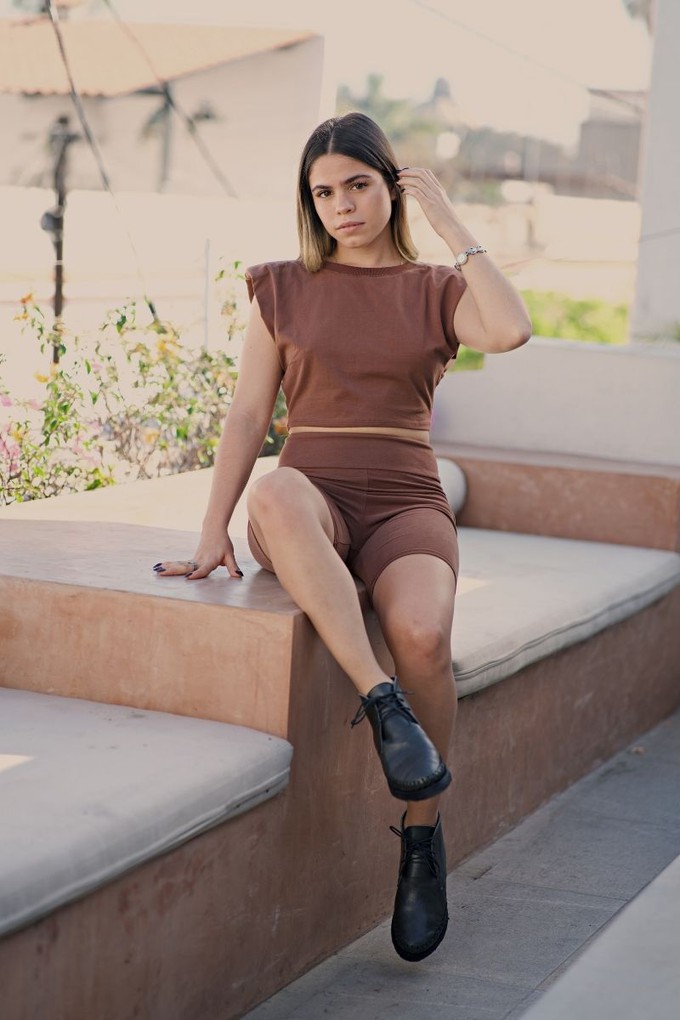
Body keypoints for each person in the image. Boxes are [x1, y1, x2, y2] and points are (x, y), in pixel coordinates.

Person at [153, 112, 531, 962]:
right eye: (323, 193)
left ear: (391, 185)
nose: (341, 206)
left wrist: (450, 223)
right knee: (275, 489)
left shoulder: (436, 289)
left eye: (357, 185)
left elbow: (511, 329)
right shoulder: (281, 286)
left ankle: (422, 837)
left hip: (405, 499)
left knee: (424, 633)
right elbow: (249, 413)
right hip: (310, 495)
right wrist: (213, 529)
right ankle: (383, 704)